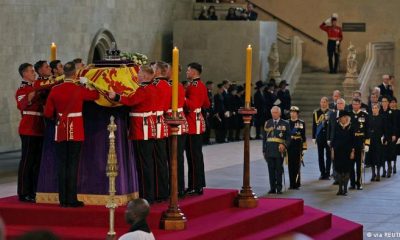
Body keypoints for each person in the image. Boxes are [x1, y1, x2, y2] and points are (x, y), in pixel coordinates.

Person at [44, 62, 99, 207]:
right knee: (73, 165)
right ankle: (72, 199)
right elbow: (95, 95)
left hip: (61, 129)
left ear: (64, 74)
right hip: (76, 129)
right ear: (75, 74)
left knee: (62, 165)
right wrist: (88, 84)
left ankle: (63, 199)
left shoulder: (55, 89)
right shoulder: (78, 89)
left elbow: (48, 113)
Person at [109, 65, 157, 203]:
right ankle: (149, 195)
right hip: (147, 127)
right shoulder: (151, 87)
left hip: (141, 129)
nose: (138, 75)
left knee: (143, 165)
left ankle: (146, 197)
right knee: (147, 163)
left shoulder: (143, 89)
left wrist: (116, 96)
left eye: (140, 73)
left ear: (147, 76)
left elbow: (131, 101)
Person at [15, 63, 45, 203]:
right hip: (28, 128)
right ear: (24, 74)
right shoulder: (22, 90)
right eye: (31, 71)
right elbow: (22, 104)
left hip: (39, 128)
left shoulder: (35, 86)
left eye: (34, 71)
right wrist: (37, 87)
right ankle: (23, 192)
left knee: (36, 163)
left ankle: (33, 191)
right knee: (27, 162)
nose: (34, 73)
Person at [184, 62, 210, 195]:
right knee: (197, 156)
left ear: (194, 72)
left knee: (193, 157)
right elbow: (206, 103)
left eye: (188, 71)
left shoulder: (193, 86)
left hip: (191, 124)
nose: (186, 72)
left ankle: (194, 185)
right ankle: (199, 184)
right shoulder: (201, 85)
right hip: (197, 121)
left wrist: (182, 97)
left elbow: (192, 105)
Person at [151, 61, 171, 202]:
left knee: (155, 160)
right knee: (162, 160)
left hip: (154, 123)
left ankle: (157, 191)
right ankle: (163, 190)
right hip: (162, 123)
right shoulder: (168, 85)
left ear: (157, 71)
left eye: (152, 68)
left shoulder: (155, 85)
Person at [263, 106, 291, 194]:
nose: (274, 114)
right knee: (270, 170)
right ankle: (272, 188)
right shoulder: (267, 123)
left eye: (276, 112)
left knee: (279, 169)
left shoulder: (285, 123)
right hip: (269, 150)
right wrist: (264, 150)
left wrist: (284, 145)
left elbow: (288, 138)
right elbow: (264, 138)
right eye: (273, 113)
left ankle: (279, 188)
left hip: (279, 150)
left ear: (279, 113)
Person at [331, 110, 354, 196]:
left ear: (347, 118)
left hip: (348, 152)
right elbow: (333, 139)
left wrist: (353, 151)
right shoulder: (336, 126)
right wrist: (332, 150)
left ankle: (345, 189)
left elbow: (353, 140)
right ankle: (340, 188)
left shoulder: (351, 127)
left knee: (347, 170)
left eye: (345, 117)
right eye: (341, 118)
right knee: (339, 171)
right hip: (338, 151)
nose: (343, 119)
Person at [349, 98, 369, 190]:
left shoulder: (365, 115)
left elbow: (368, 130)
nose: (355, 106)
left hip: (360, 143)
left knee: (359, 165)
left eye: (357, 104)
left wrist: (367, 144)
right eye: (354, 104)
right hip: (350, 143)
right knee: (350, 165)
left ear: (360, 105)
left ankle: (359, 183)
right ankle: (352, 183)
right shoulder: (348, 115)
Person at [327, 98, 347, 184]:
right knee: (334, 159)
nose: (339, 105)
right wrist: (328, 139)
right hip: (334, 141)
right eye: (338, 103)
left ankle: (343, 176)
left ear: (344, 105)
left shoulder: (347, 115)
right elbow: (329, 128)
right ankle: (336, 178)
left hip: (344, 141)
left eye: (341, 103)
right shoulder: (332, 115)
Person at [287, 106, 306, 190]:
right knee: (290, 166)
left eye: (294, 112)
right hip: (290, 146)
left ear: (297, 114)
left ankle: (297, 183)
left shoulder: (301, 123)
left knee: (297, 166)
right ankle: (291, 183)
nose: (293, 114)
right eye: (291, 112)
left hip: (298, 146)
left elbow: (303, 136)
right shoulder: (286, 123)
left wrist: (304, 148)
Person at [312, 97, 331, 180]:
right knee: (320, 156)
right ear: (320, 103)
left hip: (328, 137)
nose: (323, 103)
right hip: (320, 137)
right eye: (322, 102)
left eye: (324, 102)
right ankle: (322, 173)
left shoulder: (331, 112)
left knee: (328, 156)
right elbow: (314, 125)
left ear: (327, 103)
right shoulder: (316, 113)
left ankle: (327, 173)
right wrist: (313, 136)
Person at [380, 96, 396, 178]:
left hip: (389, 135)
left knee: (389, 152)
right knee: (382, 153)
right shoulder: (380, 111)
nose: (384, 103)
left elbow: (394, 124)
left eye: (385, 101)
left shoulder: (391, 112)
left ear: (388, 103)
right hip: (381, 135)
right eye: (382, 101)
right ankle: (383, 170)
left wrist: (394, 134)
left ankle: (389, 168)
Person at [368, 104, 385, 181]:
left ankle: (378, 173)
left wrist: (384, 137)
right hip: (370, 139)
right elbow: (366, 128)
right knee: (371, 157)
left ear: (378, 109)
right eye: (373, 108)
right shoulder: (369, 117)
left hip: (378, 140)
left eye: (376, 108)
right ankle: (373, 173)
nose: (374, 109)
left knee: (378, 157)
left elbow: (384, 129)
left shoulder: (381, 118)